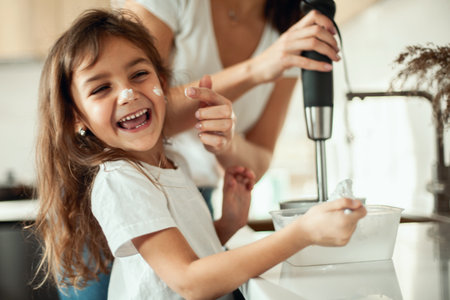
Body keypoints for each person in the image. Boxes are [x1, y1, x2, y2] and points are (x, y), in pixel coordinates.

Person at [33, 9, 365, 300]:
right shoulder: (120, 179)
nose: (128, 92)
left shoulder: (171, 166)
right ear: (76, 117)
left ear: (162, 83)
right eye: (101, 88)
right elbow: (189, 281)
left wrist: (227, 224)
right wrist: (302, 233)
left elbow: (181, 254)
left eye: (139, 74)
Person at [124, 0, 341, 212]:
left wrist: (226, 142)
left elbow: (259, 161)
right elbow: (130, 110)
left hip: (198, 200)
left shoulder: (288, 31)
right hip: (133, 189)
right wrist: (255, 70)